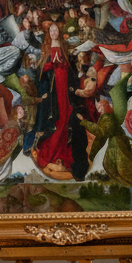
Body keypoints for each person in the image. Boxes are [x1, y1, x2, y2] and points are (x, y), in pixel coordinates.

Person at [31, 21, 89, 180]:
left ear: (59, 31)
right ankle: (51, 152)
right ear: (49, 33)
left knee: (66, 119)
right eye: (52, 30)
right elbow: (41, 71)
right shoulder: (46, 49)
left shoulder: (65, 49)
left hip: (65, 88)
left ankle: (63, 151)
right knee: (58, 120)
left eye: (56, 29)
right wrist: (51, 64)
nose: (54, 32)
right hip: (54, 90)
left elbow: (70, 68)